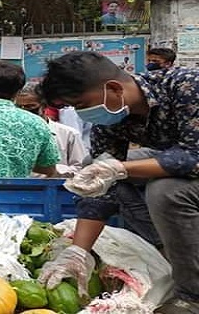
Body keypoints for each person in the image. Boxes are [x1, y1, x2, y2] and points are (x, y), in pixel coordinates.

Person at [36, 51, 198, 313]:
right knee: (99, 170)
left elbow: (193, 157)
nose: (81, 113)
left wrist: (119, 168)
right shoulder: (114, 116)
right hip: (183, 162)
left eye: (80, 104)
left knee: (165, 190)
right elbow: (100, 182)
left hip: (194, 158)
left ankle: (192, 295)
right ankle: (170, 249)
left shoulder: (187, 85)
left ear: (113, 88)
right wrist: (79, 252)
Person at [15, 82, 87, 177]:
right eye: (19, 107)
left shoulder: (69, 134)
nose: (24, 112)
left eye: (30, 106)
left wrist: (54, 170)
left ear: (44, 106)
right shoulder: (12, 135)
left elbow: (82, 168)